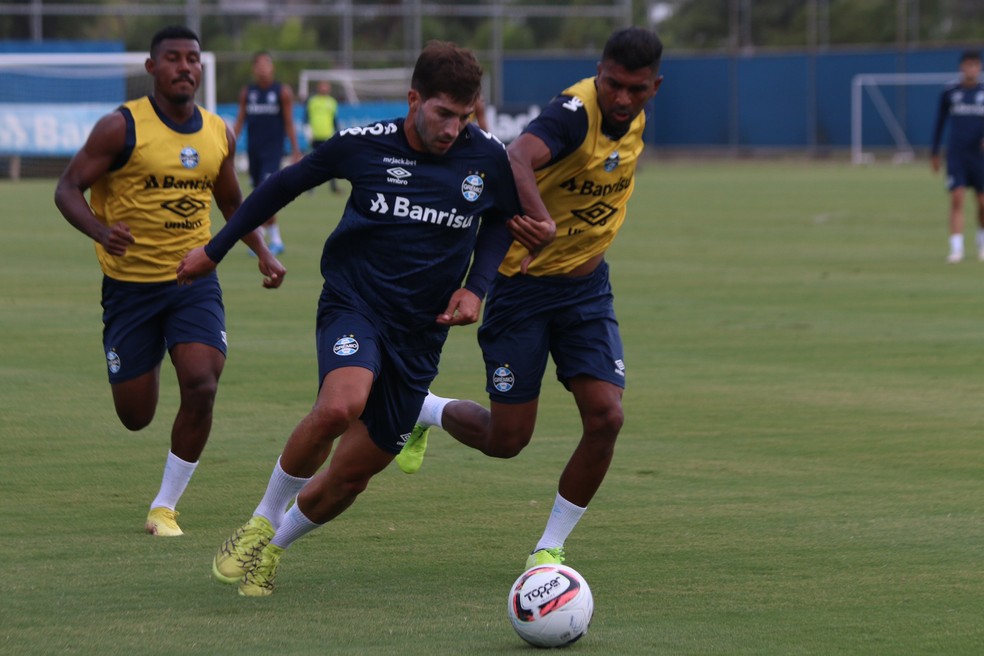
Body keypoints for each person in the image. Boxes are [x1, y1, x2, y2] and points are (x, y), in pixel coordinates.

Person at [176, 41, 553, 596]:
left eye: (464, 116)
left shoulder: (487, 158)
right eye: (443, 114)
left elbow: (500, 221)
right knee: (339, 405)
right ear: (413, 99)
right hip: (356, 304)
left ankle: (271, 551)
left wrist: (477, 287)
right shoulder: (363, 145)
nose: (453, 129)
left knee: (352, 476)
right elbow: (282, 185)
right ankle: (260, 520)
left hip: (422, 335)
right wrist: (217, 248)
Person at [395, 27, 664, 570]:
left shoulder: (633, 117)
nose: (621, 98)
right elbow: (516, 156)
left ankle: (548, 549)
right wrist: (539, 219)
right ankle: (424, 409)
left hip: (587, 290)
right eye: (612, 84)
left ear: (653, 87)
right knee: (507, 439)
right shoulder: (572, 112)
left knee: (606, 417)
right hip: (524, 289)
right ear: (598, 71)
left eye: (635, 90)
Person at [53, 25, 286, 537]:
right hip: (129, 289)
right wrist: (98, 228)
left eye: (193, 59)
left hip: (191, 278)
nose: (186, 67)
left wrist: (262, 252)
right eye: (174, 58)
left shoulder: (216, 132)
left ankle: (164, 507)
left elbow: (230, 202)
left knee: (202, 382)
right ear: (152, 67)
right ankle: (148, 353)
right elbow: (68, 187)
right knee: (136, 414)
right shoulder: (120, 128)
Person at [234, 51, 302, 255]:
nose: (263, 68)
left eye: (267, 64)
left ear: (272, 68)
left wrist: (296, 150)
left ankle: (267, 238)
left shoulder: (282, 92)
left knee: (265, 193)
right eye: (259, 64)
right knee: (258, 196)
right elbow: (239, 122)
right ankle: (272, 238)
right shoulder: (248, 92)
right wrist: (228, 146)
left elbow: (289, 122)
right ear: (254, 69)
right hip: (253, 151)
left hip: (273, 152)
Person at [931, 50, 984, 264]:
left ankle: (981, 243)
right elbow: (939, 121)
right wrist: (934, 151)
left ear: (979, 68)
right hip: (957, 154)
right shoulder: (950, 92)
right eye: (968, 65)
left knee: (982, 203)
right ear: (962, 67)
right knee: (957, 197)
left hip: (980, 157)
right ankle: (956, 249)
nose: (971, 69)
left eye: (975, 65)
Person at [305, 80, 340, 194]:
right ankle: (309, 187)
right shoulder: (312, 101)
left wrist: (336, 133)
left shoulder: (332, 102)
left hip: (328, 136)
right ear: (318, 87)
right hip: (315, 136)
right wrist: (308, 131)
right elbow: (306, 118)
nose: (324, 88)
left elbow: (334, 120)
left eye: (326, 86)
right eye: (322, 86)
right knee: (312, 162)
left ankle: (334, 187)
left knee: (332, 162)